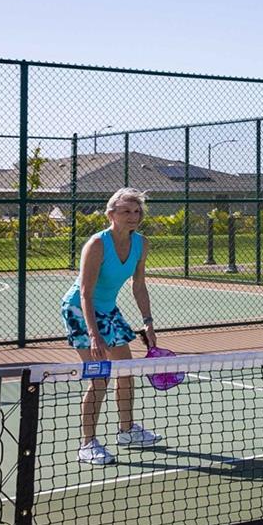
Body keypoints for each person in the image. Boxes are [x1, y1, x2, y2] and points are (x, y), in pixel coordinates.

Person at [61, 187, 163, 466]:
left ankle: (127, 431)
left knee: (126, 371)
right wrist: (93, 335)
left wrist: (148, 323)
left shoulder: (141, 243)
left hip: (107, 308)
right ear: (111, 214)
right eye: (126, 211)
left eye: (137, 211)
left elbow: (139, 285)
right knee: (100, 377)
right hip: (79, 309)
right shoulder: (97, 244)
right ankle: (87, 445)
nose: (133, 216)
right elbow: (85, 293)